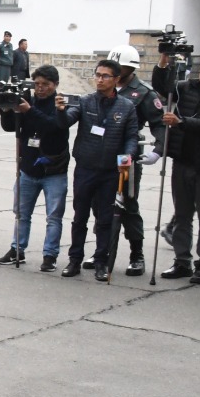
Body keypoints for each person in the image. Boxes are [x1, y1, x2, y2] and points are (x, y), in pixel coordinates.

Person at [57, 60, 140, 281]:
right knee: (79, 217)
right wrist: (59, 111)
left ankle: (102, 261)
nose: (100, 79)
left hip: (110, 172)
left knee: (105, 219)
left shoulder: (126, 106)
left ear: (116, 80)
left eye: (105, 76)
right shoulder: (84, 102)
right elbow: (66, 121)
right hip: (85, 168)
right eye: (98, 75)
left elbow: (132, 136)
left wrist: (128, 155)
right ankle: (75, 259)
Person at [0, 66, 69, 270]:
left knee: (53, 217)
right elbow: (11, 127)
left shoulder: (61, 104)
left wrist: (29, 110)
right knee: (21, 213)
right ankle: (16, 249)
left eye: (45, 85)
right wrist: (7, 109)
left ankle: (49, 256)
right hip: (28, 168)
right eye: (36, 84)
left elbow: (54, 126)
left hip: (54, 171)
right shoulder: (27, 99)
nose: (40, 88)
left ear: (55, 85)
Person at [105, 46, 165, 277]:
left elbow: (159, 124)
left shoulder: (143, 93)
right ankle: (103, 251)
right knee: (101, 204)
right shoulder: (105, 86)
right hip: (102, 154)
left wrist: (158, 150)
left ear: (132, 68)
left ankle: (136, 255)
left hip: (127, 155)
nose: (116, 72)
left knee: (128, 205)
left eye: (121, 68)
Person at [158, 51, 200, 284]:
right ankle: (182, 261)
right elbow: (162, 86)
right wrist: (164, 60)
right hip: (182, 161)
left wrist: (181, 122)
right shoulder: (186, 88)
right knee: (182, 216)